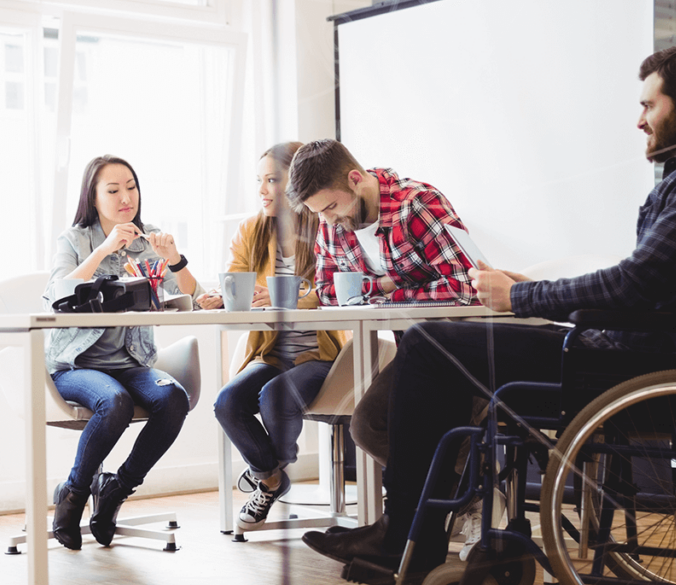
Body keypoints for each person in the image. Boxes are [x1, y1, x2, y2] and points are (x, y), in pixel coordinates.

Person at [302, 42, 676, 575]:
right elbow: (649, 281)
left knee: (434, 343)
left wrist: (519, 297)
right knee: (437, 353)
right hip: (637, 352)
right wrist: (533, 286)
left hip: (629, 366)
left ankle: (407, 532)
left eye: (649, 106)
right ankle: (418, 524)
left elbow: (634, 284)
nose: (640, 121)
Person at [284, 138, 477, 462]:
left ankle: (455, 488)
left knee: (389, 425)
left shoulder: (417, 205)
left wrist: (388, 291)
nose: (328, 221)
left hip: (457, 351)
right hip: (412, 353)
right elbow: (328, 293)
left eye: (331, 207)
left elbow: (464, 287)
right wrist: (391, 285)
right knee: (369, 427)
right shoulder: (332, 223)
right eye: (319, 212)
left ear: (355, 180)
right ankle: (451, 492)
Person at [45, 155, 199, 550]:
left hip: (133, 362)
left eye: (130, 186)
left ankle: (117, 487)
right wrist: (105, 250)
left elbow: (194, 294)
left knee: (173, 398)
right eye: (112, 190)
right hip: (78, 364)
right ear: (93, 198)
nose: (125, 197)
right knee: (114, 403)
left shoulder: (150, 240)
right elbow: (58, 292)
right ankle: (75, 493)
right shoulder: (75, 240)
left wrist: (174, 259)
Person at [200, 143, 346, 530]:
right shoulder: (252, 229)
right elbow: (238, 279)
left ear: (296, 184)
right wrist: (227, 297)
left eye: (272, 180)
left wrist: (295, 296)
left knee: (273, 396)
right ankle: (270, 476)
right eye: (259, 181)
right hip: (272, 353)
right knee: (227, 403)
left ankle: (269, 473)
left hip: (321, 356)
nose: (263, 190)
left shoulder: (326, 228)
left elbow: (336, 291)